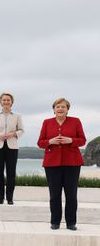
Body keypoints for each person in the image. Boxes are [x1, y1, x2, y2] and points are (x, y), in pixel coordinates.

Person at [37, 98, 86, 231]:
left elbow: (82, 140)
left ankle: (71, 223)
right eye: (57, 106)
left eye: (63, 106)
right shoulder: (47, 122)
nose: (60, 109)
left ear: (67, 109)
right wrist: (50, 141)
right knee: (54, 194)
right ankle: (55, 222)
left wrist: (71, 140)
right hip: (52, 163)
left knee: (71, 194)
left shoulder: (75, 121)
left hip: (72, 162)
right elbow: (40, 142)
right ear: (54, 109)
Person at [0, 93, 24, 205]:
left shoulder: (17, 115)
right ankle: (0, 197)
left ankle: (10, 198)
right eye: (4, 100)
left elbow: (21, 130)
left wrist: (14, 134)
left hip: (12, 147)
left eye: (8, 100)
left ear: (12, 102)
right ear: (0, 102)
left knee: (11, 173)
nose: (6, 102)